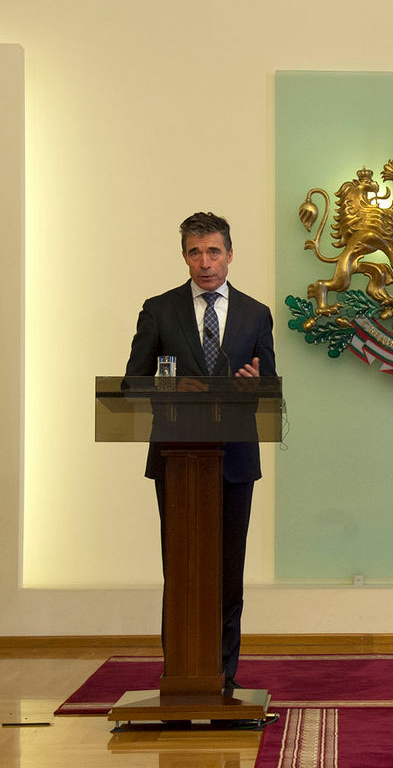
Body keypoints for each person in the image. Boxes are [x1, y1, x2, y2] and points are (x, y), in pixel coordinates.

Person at [125, 211, 276, 688]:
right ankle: (182, 674)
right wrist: (174, 386)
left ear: (230, 255)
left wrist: (256, 386)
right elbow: (132, 382)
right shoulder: (160, 310)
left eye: (214, 251)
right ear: (184, 257)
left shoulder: (255, 314)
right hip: (178, 458)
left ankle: (223, 677)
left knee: (229, 574)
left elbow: (270, 388)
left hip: (233, 460)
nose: (205, 262)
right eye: (195, 252)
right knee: (184, 570)